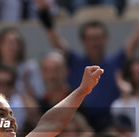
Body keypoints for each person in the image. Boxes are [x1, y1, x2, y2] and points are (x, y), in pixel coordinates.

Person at [36, 0, 139, 130]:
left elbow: (135, 39)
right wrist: (44, 13)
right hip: (78, 125)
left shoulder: (116, 62)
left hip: (109, 125)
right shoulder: (74, 62)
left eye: (98, 38)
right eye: (90, 39)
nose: (95, 43)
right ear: (83, 41)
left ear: (106, 39)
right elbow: (56, 41)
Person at [0, 27, 44, 99]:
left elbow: (39, 93)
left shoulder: (30, 68)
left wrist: (25, 83)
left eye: (15, 43)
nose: (11, 47)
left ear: (20, 46)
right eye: (7, 43)